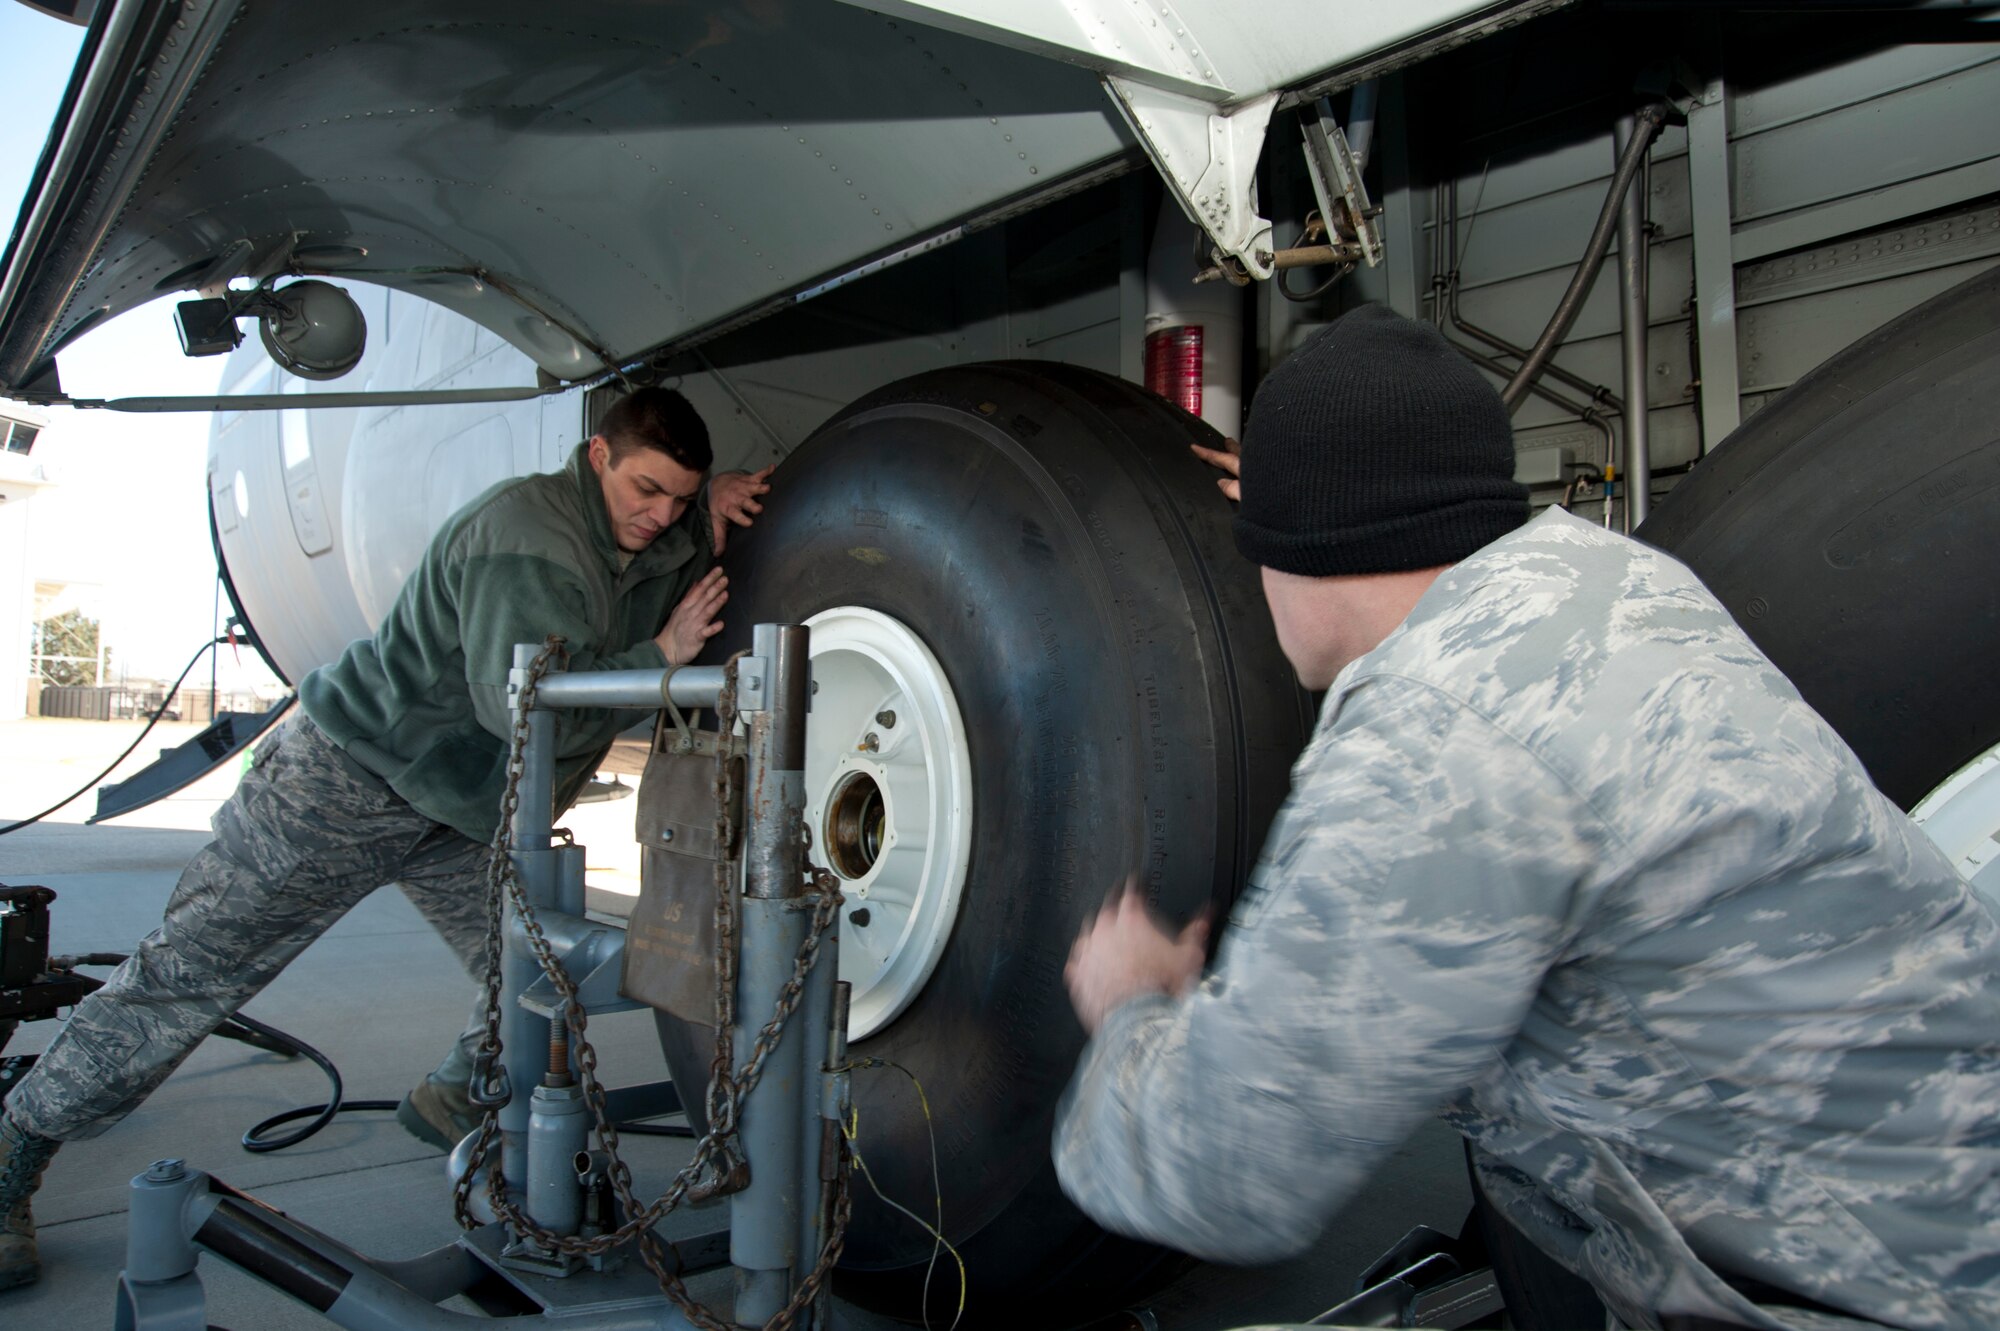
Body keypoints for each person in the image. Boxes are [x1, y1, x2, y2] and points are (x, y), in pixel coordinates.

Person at [1055, 305, 2000, 1331]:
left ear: (1302, 541)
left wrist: (1131, 1011)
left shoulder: (1438, 735)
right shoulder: (1605, 584)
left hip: (1882, 1294)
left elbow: (1225, 1169)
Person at [0, 386, 774, 1291]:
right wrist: (659, 659)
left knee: (543, 980)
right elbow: (523, 714)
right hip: (346, 784)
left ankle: (453, 1100)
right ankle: (16, 1147)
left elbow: (656, 547)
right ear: (597, 455)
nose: (661, 514)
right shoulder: (532, 537)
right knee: (187, 979)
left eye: (678, 498)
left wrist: (705, 505)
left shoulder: (634, 523)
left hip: (455, 811)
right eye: (647, 488)